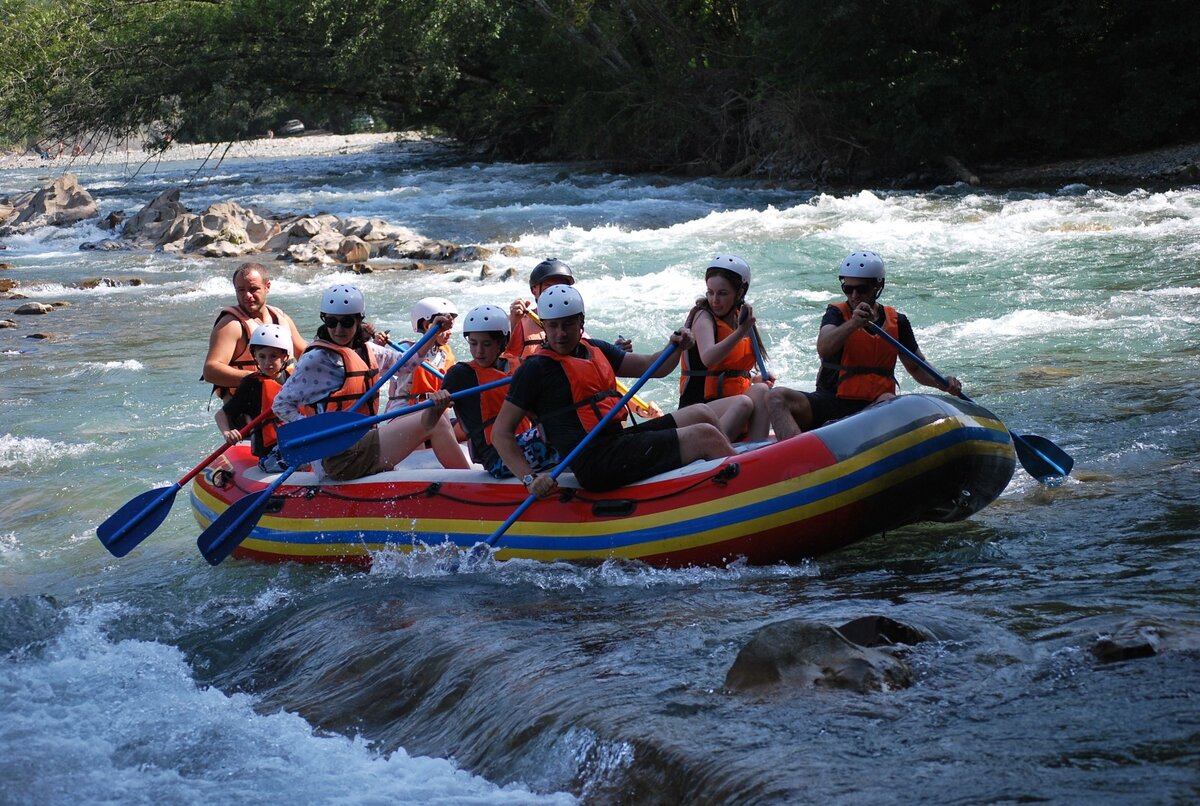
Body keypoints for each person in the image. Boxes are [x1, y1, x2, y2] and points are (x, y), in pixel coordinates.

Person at [492, 286, 736, 496]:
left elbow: (653, 367)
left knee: (701, 413)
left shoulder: (595, 348)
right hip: (595, 464)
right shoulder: (534, 369)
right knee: (705, 435)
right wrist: (529, 479)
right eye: (553, 326)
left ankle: (728, 469)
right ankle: (743, 483)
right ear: (543, 325)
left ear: (581, 322)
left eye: (568, 324)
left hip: (617, 443)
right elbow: (500, 433)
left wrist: (675, 346)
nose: (561, 333)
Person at [272, 284, 469, 481]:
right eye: (332, 322)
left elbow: (408, 363)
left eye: (347, 322)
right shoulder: (317, 359)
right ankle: (470, 485)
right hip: (339, 457)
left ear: (358, 321)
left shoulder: (368, 350)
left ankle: (469, 483)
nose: (339, 329)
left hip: (363, 444)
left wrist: (432, 333)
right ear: (325, 320)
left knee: (437, 417)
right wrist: (318, 435)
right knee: (435, 422)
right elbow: (281, 405)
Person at [767, 251, 963, 439]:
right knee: (776, 397)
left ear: (878, 287)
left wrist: (943, 383)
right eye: (848, 289)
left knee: (889, 400)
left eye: (861, 289)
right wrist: (853, 324)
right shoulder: (836, 314)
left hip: (873, 408)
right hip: (830, 401)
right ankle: (798, 455)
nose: (854, 295)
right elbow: (824, 348)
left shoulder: (898, 322)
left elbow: (917, 367)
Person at [442, 304, 559, 478]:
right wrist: (437, 405)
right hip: (498, 456)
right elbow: (429, 423)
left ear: (501, 343)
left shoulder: (519, 365)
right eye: (473, 343)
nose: (479, 351)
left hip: (523, 440)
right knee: (564, 431)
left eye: (487, 344)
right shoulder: (460, 375)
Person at [678, 254, 773, 442]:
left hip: (729, 407)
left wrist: (754, 379)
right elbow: (708, 358)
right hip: (698, 408)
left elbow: (731, 371)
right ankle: (712, 450)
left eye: (722, 293)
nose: (715, 300)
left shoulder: (741, 317)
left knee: (763, 391)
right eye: (710, 292)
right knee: (744, 402)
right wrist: (740, 332)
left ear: (739, 293)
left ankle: (757, 448)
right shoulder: (703, 317)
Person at [202, 262, 306, 400]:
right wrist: (258, 379)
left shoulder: (281, 318)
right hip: (249, 407)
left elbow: (305, 354)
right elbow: (210, 371)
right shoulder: (231, 325)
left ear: (267, 287)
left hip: (287, 401)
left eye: (253, 289)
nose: (247, 296)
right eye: (241, 290)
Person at [213, 324, 293, 472]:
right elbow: (221, 415)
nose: (267, 362)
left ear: (285, 357)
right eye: (262, 356)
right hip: (269, 452)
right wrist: (227, 432)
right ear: (255, 357)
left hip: (294, 443)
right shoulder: (251, 384)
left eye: (273, 356)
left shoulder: (293, 379)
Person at [386, 296, 458, 413]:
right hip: (405, 410)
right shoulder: (406, 350)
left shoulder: (446, 355)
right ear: (426, 326)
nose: (450, 333)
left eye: (450, 327)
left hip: (435, 411)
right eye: (445, 328)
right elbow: (390, 380)